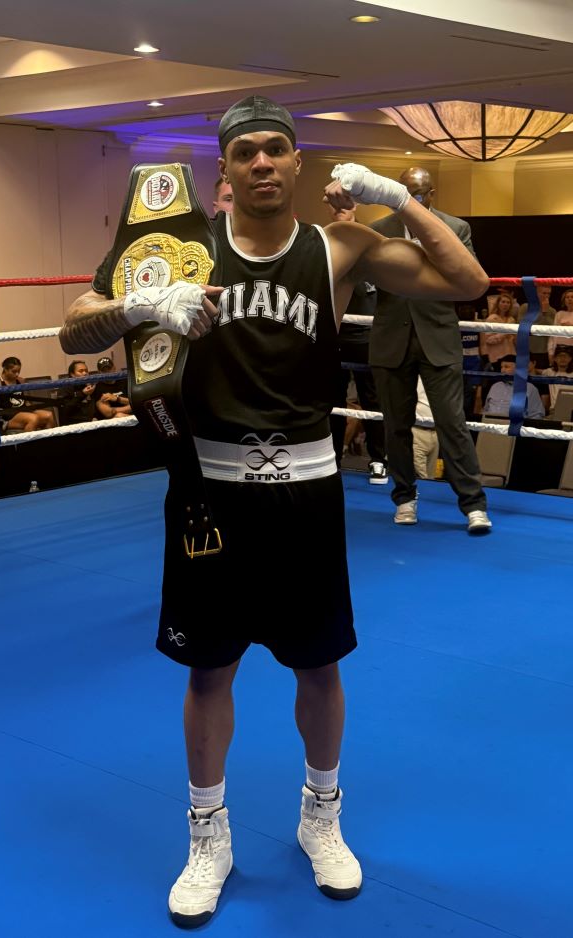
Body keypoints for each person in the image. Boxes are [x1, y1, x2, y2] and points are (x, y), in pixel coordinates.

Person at [59, 95, 488, 928]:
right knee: (208, 667)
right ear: (225, 168)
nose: (262, 163)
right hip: (210, 493)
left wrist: (401, 199)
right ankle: (207, 836)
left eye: (277, 150)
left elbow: (465, 283)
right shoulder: (184, 248)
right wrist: (146, 306)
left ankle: (320, 816)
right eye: (246, 151)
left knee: (319, 665)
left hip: (307, 492)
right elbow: (79, 327)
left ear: (298, 164)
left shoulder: (339, 246)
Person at [368, 167, 492, 534]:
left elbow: (468, 281)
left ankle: (474, 505)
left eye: (420, 194)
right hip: (392, 338)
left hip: (438, 337)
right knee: (396, 427)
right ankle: (404, 498)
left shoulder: (455, 229)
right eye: (407, 192)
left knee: (452, 424)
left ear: (432, 194)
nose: (414, 200)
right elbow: (366, 280)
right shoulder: (378, 231)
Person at [327, 202, 387, 482]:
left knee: (372, 398)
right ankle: (333, 457)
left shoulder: (371, 243)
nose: (340, 209)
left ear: (355, 207)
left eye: (345, 205)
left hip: (368, 335)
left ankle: (378, 459)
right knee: (333, 399)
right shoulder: (326, 242)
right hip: (336, 333)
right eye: (335, 206)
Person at [0, 356, 56, 433]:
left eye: (19, 371)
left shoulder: (20, 381)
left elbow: (26, 399)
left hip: (23, 411)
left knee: (49, 415)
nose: (17, 374)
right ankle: (28, 445)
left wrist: (30, 406)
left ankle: (50, 444)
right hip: (8, 416)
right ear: (5, 369)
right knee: (33, 418)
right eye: (14, 371)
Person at [483, 354, 545, 419]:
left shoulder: (529, 388)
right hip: (490, 425)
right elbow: (486, 409)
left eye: (506, 367)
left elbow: (537, 414)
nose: (502, 370)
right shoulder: (495, 386)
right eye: (501, 367)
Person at [516, 284, 556, 371]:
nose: (546, 296)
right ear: (536, 293)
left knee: (542, 380)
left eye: (548, 294)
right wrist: (542, 313)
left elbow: (550, 329)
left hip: (544, 351)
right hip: (526, 349)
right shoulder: (525, 307)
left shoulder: (552, 311)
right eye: (544, 293)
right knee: (525, 377)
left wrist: (545, 312)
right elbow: (523, 326)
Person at [59, 360, 97, 424]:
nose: (85, 373)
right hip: (74, 424)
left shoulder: (91, 385)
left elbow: (96, 406)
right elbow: (65, 411)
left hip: (92, 422)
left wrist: (95, 417)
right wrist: (82, 394)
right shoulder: (66, 387)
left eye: (86, 371)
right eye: (81, 371)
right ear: (72, 374)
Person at [547, 289, 573, 361]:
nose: (569, 299)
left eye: (572, 297)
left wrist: (571, 327)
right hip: (559, 348)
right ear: (564, 300)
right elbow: (553, 335)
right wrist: (551, 352)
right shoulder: (559, 314)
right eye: (567, 297)